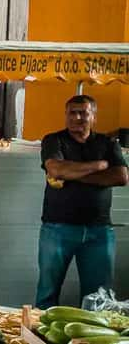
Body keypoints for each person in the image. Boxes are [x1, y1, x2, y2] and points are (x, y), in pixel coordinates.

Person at [36, 95, 128, 309]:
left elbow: (121, 177)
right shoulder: (53, 140)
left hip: (99, 230)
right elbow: (56, 169)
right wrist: (98, 166)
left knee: (99, 298)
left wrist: (73, 173)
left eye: (83, 112)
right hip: (57, 229)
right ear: (66, 115)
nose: (77, 117)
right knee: (47, 293)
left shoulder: (108, 143)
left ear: (93, 116)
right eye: (72, 112)